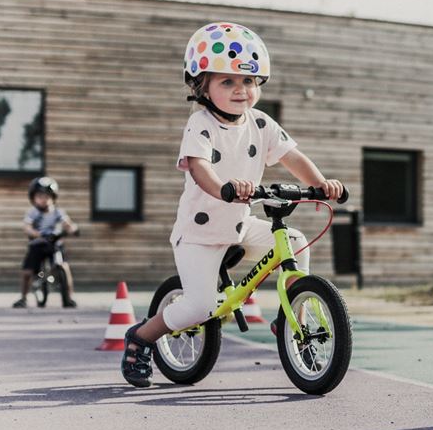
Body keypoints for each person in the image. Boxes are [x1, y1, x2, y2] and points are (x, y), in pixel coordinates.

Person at [120, 22, 344, 388]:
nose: (241, 90)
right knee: (200, 307)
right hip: (199, 233)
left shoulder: (261, 123)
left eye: (249, 82)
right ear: (201, 86)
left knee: (296, 240)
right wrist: (225, 187)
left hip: (240, 225)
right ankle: (141, 338)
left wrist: (320, 184)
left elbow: (292, 156)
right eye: (227, 82)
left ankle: (293, 316)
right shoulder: (200, 123)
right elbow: (199, 167)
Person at [14, 176, 79, 308]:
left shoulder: (58, 212)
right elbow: (26, 226)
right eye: (40, 196)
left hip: (54, 245)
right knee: (27, 272)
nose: (43, 199)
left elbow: (67, 223)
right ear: (33, 198)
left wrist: (72, 228)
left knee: (64, 267)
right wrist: (36, 233)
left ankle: (69, 298)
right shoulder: (33, 213)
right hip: (37, 245)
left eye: (47, 196)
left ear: (53, 197)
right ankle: (23, 298)